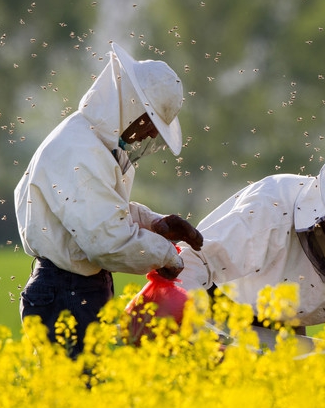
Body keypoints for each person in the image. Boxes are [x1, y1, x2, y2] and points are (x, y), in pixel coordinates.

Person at [14, 42, 203, 358]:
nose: (150, 136)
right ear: (132, 107)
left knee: (86, 394)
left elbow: (99, 212)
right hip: (65, 292)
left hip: (78, 288)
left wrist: (153, 224)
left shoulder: (92, 144)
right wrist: (167, 256)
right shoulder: (80, 149)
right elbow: (106, 241)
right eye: (151, 123)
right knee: (78, 395)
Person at [175, 153, 325, 361]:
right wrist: (201, 336)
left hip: (286, 321)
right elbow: (194, 263)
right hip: (220, 306)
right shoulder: (270, 206)